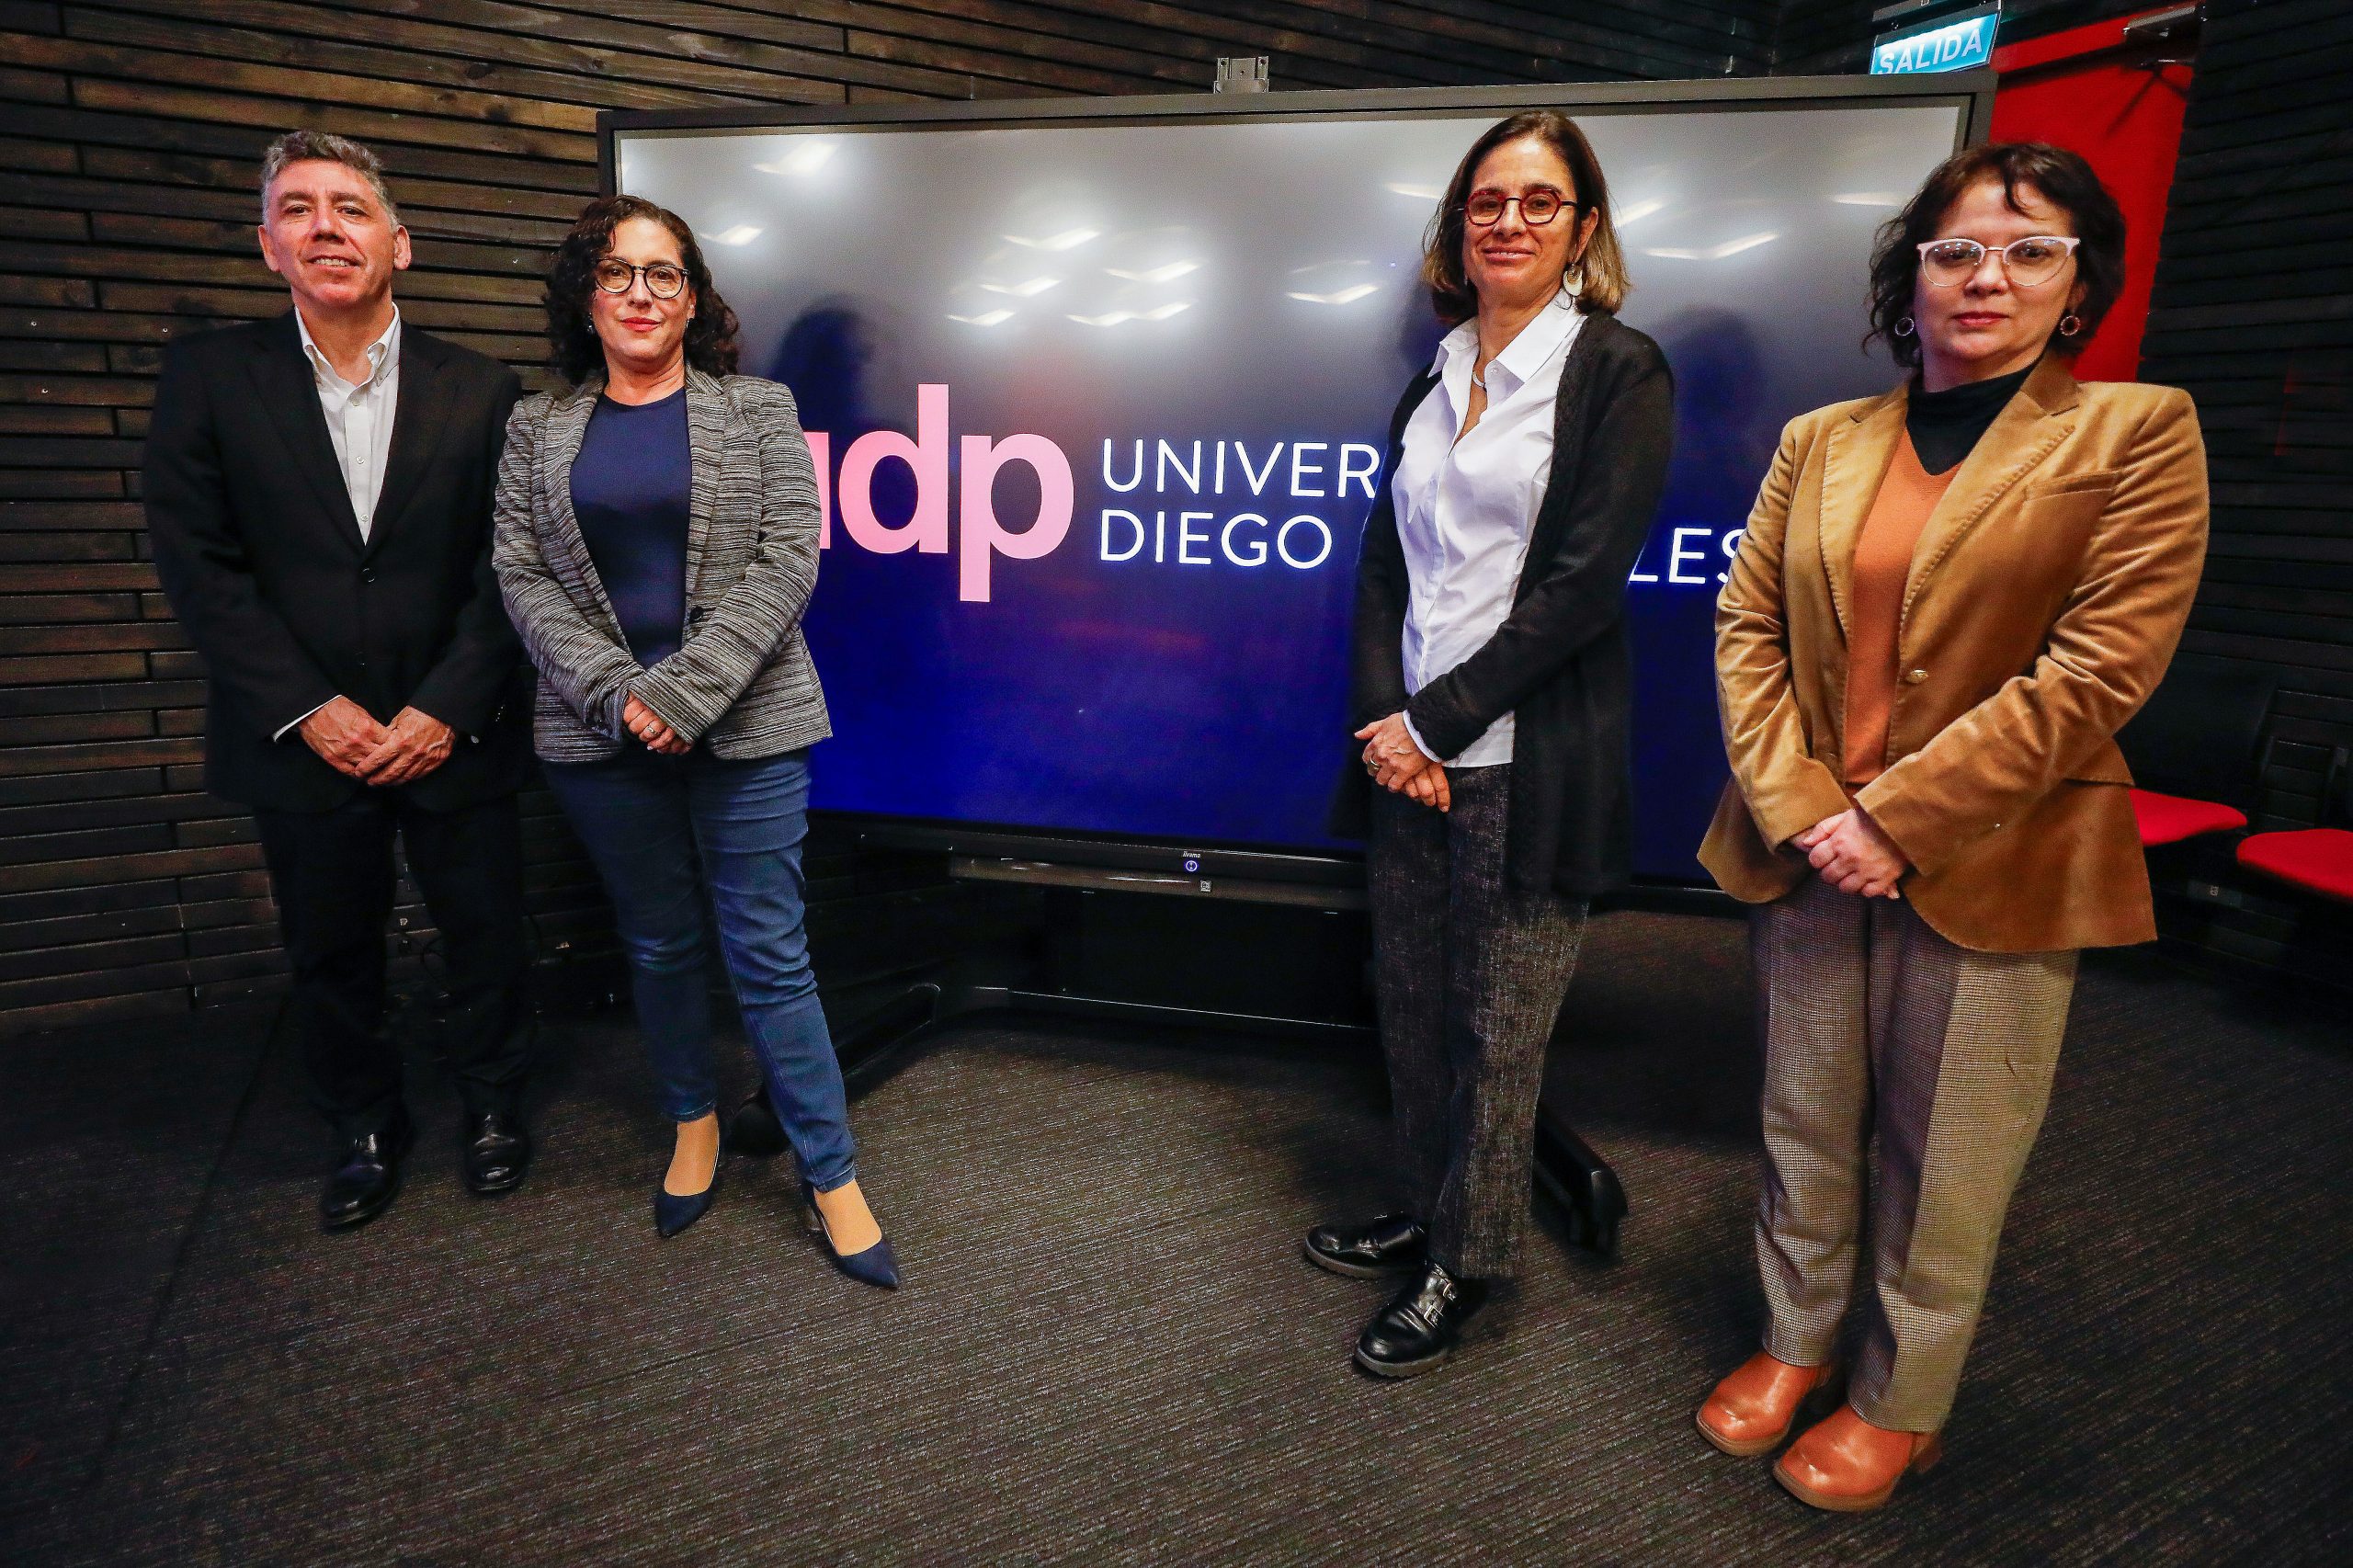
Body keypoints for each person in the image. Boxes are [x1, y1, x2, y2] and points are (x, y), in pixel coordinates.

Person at [1695, 142, 2209, 1510]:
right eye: (1956, 249)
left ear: (2078, 284)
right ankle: (1795, 1338)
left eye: (2030, 250)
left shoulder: (2135, 431)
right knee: (1804, 1116)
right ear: (1910, 275)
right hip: (1809, 848)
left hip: (2000, 853)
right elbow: (1747, 624)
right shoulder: (1821, 439)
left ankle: (1900, 1398)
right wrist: (1808, 808)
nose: (1988, 276)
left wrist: (1900, 818)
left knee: (1950, 1154)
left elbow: (2099, 668)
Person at [1311, 111, 1674, 1377]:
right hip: (1407, 761)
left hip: (1526, 758)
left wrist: (1436, 721)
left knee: (1496, 1025)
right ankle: (1425, 1207)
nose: (1508, 221)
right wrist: (1388, 725)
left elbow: (1581, 590)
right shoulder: (1438, 370)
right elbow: (1383, 565)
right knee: (1412, 1006)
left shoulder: (1617, 371)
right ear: (1458, 226)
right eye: (1486, 201)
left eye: (1538, 200)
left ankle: (1469, 1261)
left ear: (1583, 227)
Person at [492, 195, 896, 1288]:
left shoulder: (757, 409)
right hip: (597, 735)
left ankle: (831, 1171)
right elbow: (520, 573)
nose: (639, 292)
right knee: (661, 944)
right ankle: (692, 1120)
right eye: (616, 271)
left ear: (691, 297)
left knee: (770, 952)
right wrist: (618, 692)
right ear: (586, 294)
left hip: (750, 725)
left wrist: (683, 694)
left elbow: (790, 557)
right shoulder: (536, 427)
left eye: (662, 273)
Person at [146, 131, 534, 1231]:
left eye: (351, 207)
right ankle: (363, 1122)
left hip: (454, 725)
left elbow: (512, 563)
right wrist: (308, 708)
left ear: (399, 243)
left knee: (488, 934)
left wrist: (446, 705)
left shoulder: (484, 387)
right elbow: (198, 564)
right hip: (299, 734)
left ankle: (494, 1103)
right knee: (328, 948)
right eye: (299, 208)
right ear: (267, 244)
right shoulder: (210, 377)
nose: (326, 227)